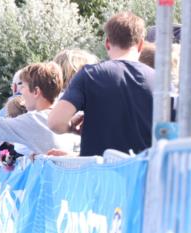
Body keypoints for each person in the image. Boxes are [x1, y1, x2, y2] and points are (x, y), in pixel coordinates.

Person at [49, 12, 154, 157]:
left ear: (107, 43)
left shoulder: (90, 75)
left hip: (100, 174)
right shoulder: (160, 81)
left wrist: (71, 128)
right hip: (144, 173)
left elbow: (55, 122)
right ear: (141, 44)